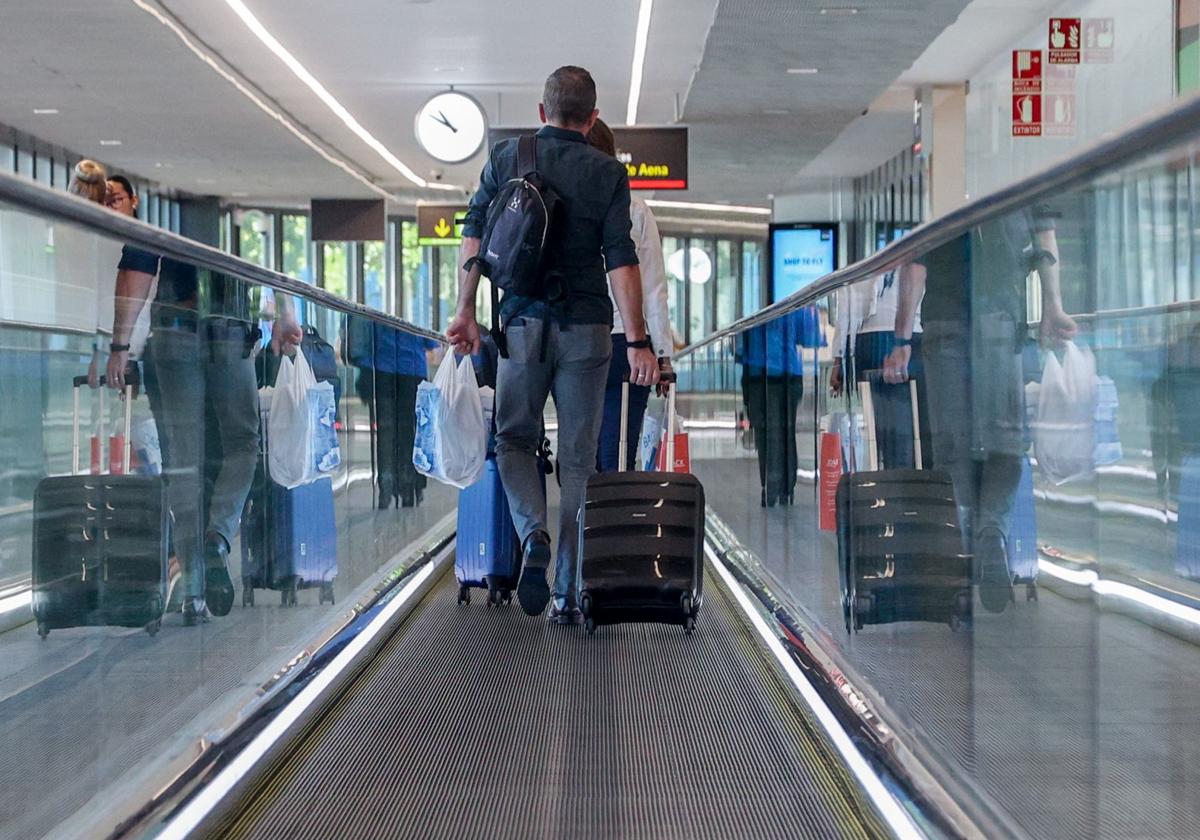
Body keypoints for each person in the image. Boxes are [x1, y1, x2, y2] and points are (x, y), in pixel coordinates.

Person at [448, 66, 660, 625]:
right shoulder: (608, 172)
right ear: (592, 119)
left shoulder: (509, 159)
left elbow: (475, 233)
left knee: (515, 439)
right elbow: (621, 257)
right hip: (588, 331)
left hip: (521, 325)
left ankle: (531, 531)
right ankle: (567, 589)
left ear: (542, 112)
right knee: (580, 462)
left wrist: (466, 310)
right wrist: (637, 341)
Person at [883, 210, 1076, 612]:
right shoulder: (1020, 174)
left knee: (953, 447)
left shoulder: (940, 190)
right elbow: (1045, 242)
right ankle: (992, 531)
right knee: (1005, 443)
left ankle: (970, 542)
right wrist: (1053, 308)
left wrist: (900, 338)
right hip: (1000, 323)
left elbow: (915, 267)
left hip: (943, 325)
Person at [106, 236, 300, 625]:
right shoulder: (244, 202)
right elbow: (275, 265)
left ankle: (193, 590)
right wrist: (285, 313)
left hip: (175, 328)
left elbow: (137, 269)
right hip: (230, 330)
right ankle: (219, 536)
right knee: (243, 442)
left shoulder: (162, 212)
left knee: (183, 456)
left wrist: (120, 346)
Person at [585, 119, 673, 472]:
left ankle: (582, 523)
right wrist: (662, 354)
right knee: (619, 449)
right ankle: (614, 521)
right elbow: (653, 287)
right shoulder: (634, 210)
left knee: (580, 450)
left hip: (574, 342)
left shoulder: (555, 204)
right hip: (627, 345)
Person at [830, 263, 929, 469]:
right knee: (915, 426)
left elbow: (846, 313)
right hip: (912, 337)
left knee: (881, 428)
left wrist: (839, 359)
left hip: (865, 341)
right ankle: (909, 480)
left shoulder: (855, 263)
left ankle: (890, 479)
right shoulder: (912, 254)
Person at [738, 305, 824, 507]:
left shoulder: (754, 298)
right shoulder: (793, 299)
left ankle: (771, 486)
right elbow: (809, 337)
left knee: (765, 433)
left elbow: (742, 342)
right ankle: (785, 487)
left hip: (758, 372)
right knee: (785, 430)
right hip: (788, 371)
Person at [347, 317, 435, 508]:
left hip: (380, 370)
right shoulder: (415, 302)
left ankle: (386, 487)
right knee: (409, 432)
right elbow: (431, 341)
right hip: (411, 371)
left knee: (385, 432)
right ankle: (409, 485)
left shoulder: (374, 300)